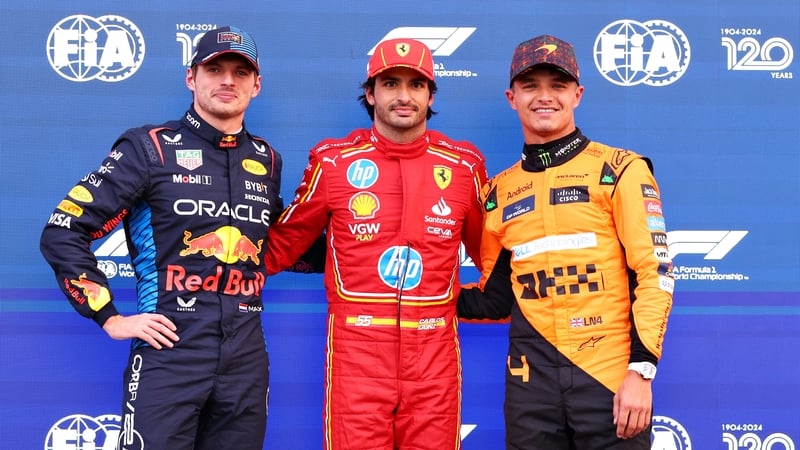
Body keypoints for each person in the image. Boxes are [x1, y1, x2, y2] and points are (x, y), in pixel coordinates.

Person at [40, 26, 279, 450]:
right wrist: (108, 316)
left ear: (256, 85)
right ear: (191, 77)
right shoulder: (148, 148)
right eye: (215, 70)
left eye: (240, 73)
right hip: (169, 353)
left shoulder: (267, 159)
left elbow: (283, 245)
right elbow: (64, 229)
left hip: (245, 360)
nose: (227, 81)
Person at [264, 38, 488, 449]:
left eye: (416, 84)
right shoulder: (333, 162)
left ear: (430, 95)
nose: (404, 96)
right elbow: (281, 244)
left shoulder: (463, 166)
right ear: (370, 93)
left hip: (434, 354)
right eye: (390, 84)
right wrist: (211, 269)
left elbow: (491, 255)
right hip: (357, 355)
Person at [456, 35, 675, 449]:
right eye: (530, 86)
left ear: (577, 95)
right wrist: (417, 295)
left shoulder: (620, 169)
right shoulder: (497, 192)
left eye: (557, 85)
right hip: (530, 386)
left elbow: (655, 273)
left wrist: (641, 371)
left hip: (609, 379)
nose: (544, 97)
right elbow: (496, 299)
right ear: (512, 98)